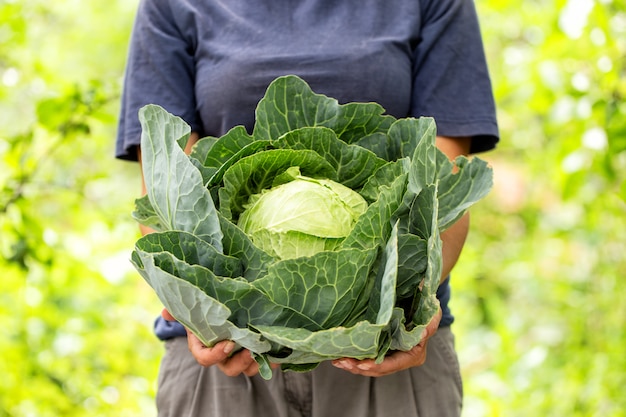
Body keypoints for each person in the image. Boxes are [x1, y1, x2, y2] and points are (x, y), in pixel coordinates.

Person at [116, 0, 499, 415]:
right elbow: (166, 188)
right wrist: (200, 313)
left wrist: (413, 306)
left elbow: (443, 183)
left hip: (386, 346)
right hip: (227, 356)